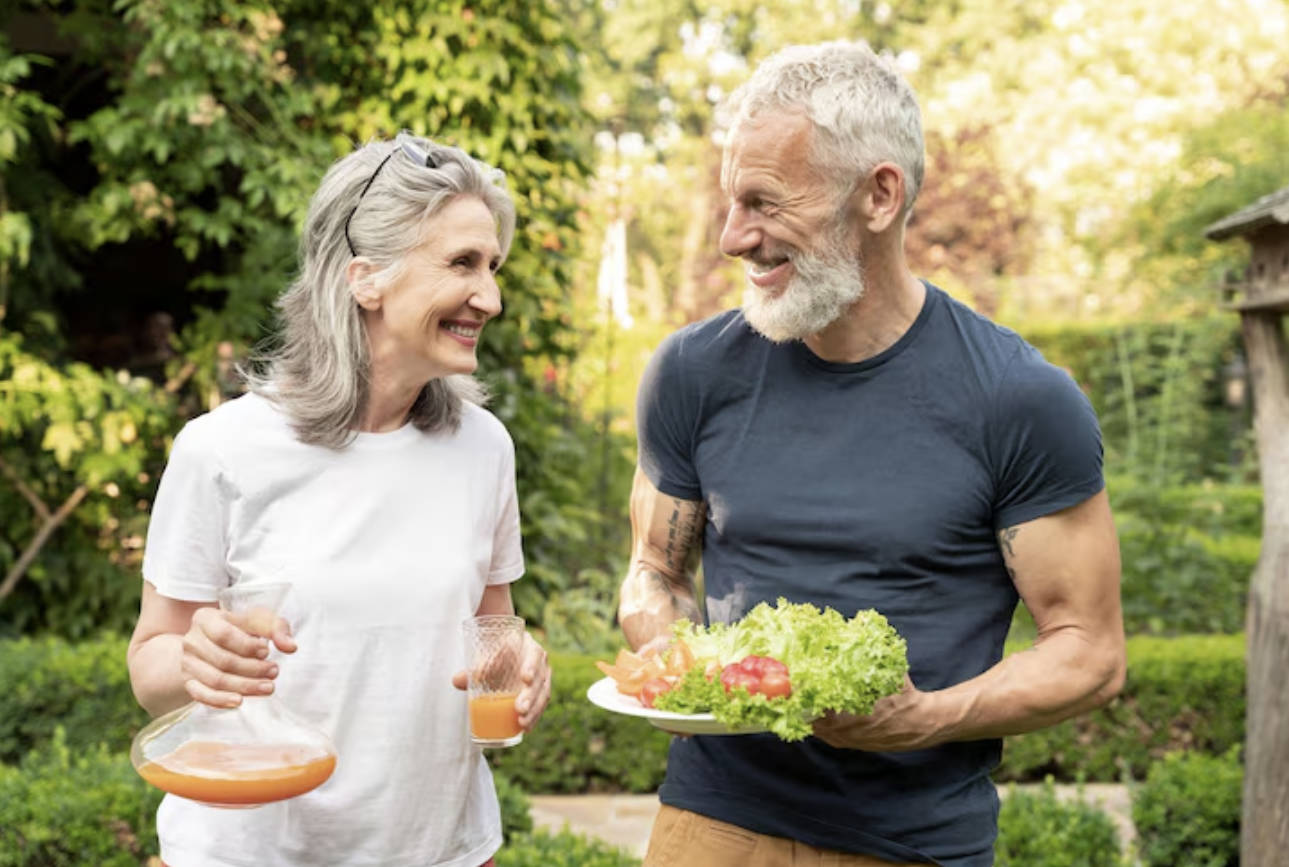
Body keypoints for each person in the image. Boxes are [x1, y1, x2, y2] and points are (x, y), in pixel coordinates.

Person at [617, 41, 1125, 867]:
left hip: (910, 842)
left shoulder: (1017, 399)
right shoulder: (691, 372)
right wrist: (669, 652)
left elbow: (1089, 652)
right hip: (708, 824)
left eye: (763, 202)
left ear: (879, 195)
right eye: (729, 201)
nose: (730, 237)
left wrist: (923, 717)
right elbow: (654, 571)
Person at [127, 132, 551, 867]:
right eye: (462, 263)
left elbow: (492, 631)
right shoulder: (221, 448)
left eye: (492, 266)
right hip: (244, 850)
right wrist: (195, 660)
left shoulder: (484, 448)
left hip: (439, 849)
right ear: (366, 279)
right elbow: (151, 665)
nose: (491, 296)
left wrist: (518, 662)